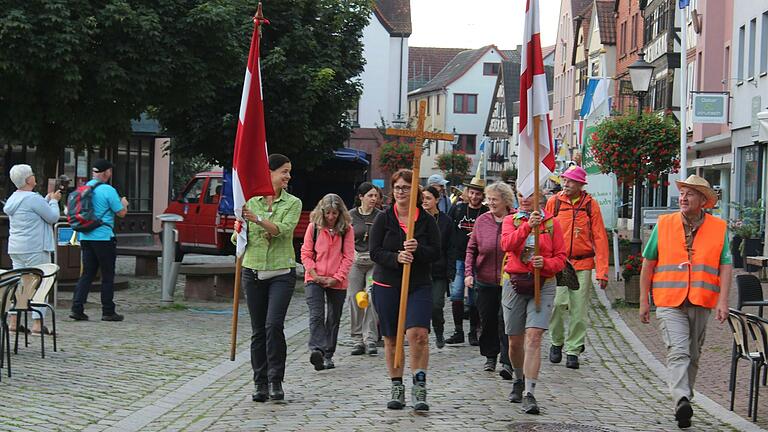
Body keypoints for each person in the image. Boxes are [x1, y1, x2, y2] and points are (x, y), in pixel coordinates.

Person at [639, 175, 731, 429]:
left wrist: (723, 300)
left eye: (690, 194)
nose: (683, 198)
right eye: (682, 193)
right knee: (678, 351)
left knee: (693, 353)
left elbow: (725, 265)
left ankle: (684, 402)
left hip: (702, 300)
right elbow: (648, 263)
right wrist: (643, 301)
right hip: (669, 301)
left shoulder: (718, 227)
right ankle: (680, 397)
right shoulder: (664, 224)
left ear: (703, 200)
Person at [370, 169, 440, 411]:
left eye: (406, 187)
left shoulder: (426, 220)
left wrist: (418, 249)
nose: (401, 192)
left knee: (418, 334)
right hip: (387, 284)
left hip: (418, 284)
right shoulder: (384, 218)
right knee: (392, 338)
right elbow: (375, 252)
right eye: (397, 187)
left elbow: (435, 252)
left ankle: (419, 385)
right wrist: (396, 257)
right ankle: (396, 385)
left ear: (415, 191)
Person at [234, 154, 302, 402]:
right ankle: (259, 382)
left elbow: (283, 231)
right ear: (270, 173)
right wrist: (238, 230)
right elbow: (240, 240)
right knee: (258, 330)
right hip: (252, 271)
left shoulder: (293, 203)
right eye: (284, 171)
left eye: (289, 171)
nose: (288, 176)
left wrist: (258, 219)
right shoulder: (249, 202)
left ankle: (276, 380)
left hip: (281, 273)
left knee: (274, 325)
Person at [501, 190, 566, 415]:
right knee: (514, 341)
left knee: (534, 337)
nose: (525, 199)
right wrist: (528, 226)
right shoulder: (511, 220)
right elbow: (506, 244)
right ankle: (518, 378)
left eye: (530, 195)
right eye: (521, 194)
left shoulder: (552, 224)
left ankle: (530, 392)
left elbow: (561, 257)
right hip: (516, 283)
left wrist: (546, 263)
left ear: (541, 196)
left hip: (543, 283)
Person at [546, 165, 609, 369]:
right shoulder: (554, 203)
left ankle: (573, 349)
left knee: (578, 309)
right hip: (560, 263)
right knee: (557, 304)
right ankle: (556, 342)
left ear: (581, 184)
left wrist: (602, 271)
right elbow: (545, 233)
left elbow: (600, 239)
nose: (566, 183)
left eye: (571, 180)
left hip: (583, 263)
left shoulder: (591, 205)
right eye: (564, 179)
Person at [465, 182, 515, 375]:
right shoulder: (482, 220)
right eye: (489, 199)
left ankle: (507, 360)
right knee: (487, 320)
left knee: (506, 320)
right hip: (485, 279)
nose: (491, 203)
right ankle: (490, 356)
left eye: (495, 199)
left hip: (510, 280)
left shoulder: (515, 219)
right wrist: (469, 273)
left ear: (505, 200)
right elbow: (472, 248)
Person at [301, 193, 355, 370]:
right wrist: (314, 273)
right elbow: (306, 253)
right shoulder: (313, 228)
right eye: (328, 213)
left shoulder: (347, 229)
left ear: (340, 213)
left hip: (336, 279)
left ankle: (328, 354)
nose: (331, 217)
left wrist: (336, 278)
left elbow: (348, 257)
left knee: (333, 317)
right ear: (322, 212)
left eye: (334, 213)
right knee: (316, 314)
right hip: (315, 277)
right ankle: (317, 349)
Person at [4, 164, 60, 333]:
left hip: (16, 247)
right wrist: (54, 202)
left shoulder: (14, 198)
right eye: (33, 174)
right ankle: (37, 323)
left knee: (19, 285)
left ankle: (13, 321)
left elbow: (33, 210)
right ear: (28, 179)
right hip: (35, 247)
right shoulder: (32, 198)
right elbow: (52, 217)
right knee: (40, 283)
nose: (34, 177)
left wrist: (46, 200)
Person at [70, 159, 128, 323]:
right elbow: (121, 213)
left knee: (87, 274)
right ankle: (108, 311)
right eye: (110, 171)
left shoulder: (84, 188)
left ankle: (77, 308)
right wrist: (124, 204)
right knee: (107, 275)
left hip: (85, 236)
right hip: (103, 237)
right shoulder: (108, 190)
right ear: (107, 172)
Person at [445, 177, 488, 345]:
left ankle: (473, 331)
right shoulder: (458, 209)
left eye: (478, 193)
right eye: (472, 192)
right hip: (458, 258)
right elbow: (448, 231)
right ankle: (458, 331)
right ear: (467, 193)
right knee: (456, 294)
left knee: (473, 297)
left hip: (478, 260)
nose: (474, 196)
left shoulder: (485, 212)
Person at [347, 183, 382, 356]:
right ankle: (356, 339)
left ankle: (370, 339)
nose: (374, 199)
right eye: (370, 195)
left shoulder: (381, 216)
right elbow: (343, 237)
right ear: (361, 197)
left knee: (371, 296)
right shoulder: (350, 216)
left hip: (374, 262)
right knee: (354, 298)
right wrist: (350, 252)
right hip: (355, 261)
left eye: (376, 196)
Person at [422, 186, 455, 349]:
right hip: (420, 269)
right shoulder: (417, 219)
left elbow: (450, 247)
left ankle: (439, 330)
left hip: (438, 270)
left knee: (436, 304)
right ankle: (422, 333)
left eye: (428, 198)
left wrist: (450, 269)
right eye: (423, 198)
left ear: (437, 200)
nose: (425, 201)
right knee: (421, 304)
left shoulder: (445, 221)